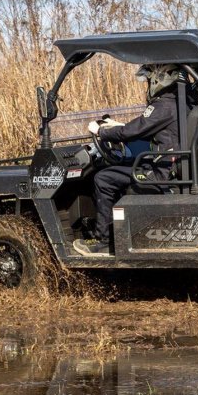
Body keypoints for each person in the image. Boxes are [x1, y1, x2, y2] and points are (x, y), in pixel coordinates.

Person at [73, 64, 181, 256]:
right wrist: (119, 126)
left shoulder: (164, 105)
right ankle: (116, 233)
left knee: (103, 178)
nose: (148, 85)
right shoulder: (180, 102)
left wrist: (101, 131)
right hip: (170, 167)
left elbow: (133, 131)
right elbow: (147, 127)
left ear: (159, 79)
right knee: (122, 167)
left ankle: (103, 241)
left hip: (160, 174)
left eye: (149, 80)